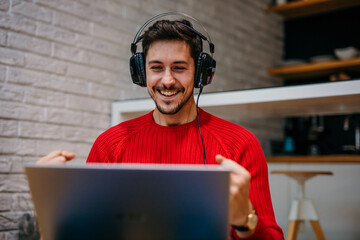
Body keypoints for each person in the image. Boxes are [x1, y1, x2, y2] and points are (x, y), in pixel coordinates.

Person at [38, 17, 284, 239]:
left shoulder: (240, 143)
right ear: (141, 72)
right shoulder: (110, 144)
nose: (167, 80)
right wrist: (50, 208)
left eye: (179, 67)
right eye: (156, 68)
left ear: (200, 74)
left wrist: (246, 221)